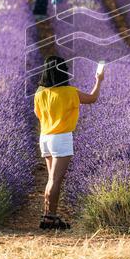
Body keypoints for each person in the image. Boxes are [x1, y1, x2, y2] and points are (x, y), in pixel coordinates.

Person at [33, 55, 103, 230]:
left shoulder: (40, 93)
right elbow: (92, 98)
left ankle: (49, 215)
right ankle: (50, 217)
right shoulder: (70, 92)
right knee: (55, 180)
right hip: (61, 138)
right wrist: (99, 80)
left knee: (51, 179)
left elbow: (38, 115)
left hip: (45, 138)